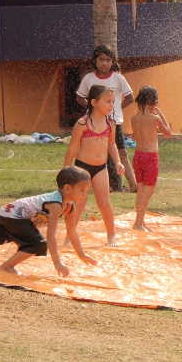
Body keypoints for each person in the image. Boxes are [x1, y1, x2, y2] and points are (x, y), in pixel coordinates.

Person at [0, 166, 97, 276]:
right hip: (13, 217)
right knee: (38, 244)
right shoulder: (55, 205)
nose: (85, 195)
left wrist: (82, 255)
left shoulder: (69, 207)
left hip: (5, 215)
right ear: (67, 188)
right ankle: (7, 267)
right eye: (82, 190)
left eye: (86, 191)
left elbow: (72, 232)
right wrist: (57, 262)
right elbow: (51, 235)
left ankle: (7, 266)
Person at [63, 84, 125, 246]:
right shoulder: (82, 123)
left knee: (104, 203)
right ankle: (69, 236)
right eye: (108, 101)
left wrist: (117, 161)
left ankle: (111, 236)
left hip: (101, 168)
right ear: (94, 102)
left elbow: (112, 145)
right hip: (82, 168)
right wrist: (66, 169)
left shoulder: (110, 124)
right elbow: (73, 147)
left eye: (113, 102)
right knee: (79, 203)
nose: (112, 105)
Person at [76, 45, 136, 192]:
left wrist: (116, 108)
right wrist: (93, 109)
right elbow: (80, 98)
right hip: (95, 123)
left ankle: (133, 185)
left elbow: (130, 97)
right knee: (99, 153)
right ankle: (104, 186)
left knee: (122, 153)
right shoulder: (89, 78)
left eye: (108, 60)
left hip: (114, 123)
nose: (104, 63)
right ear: (95, 61)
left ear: (113, 62)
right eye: (101, 59)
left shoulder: (118, 78)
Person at [129, 86, 171, 232]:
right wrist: (161, 114)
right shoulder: (155, 118)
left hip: (138, 156)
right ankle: (138, 224)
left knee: (141, 191)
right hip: (150, 158)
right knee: (147, 193)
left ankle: (140, 221)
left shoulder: (134, 118)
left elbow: (136, 136)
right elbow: (168, 133)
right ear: (153, 101)